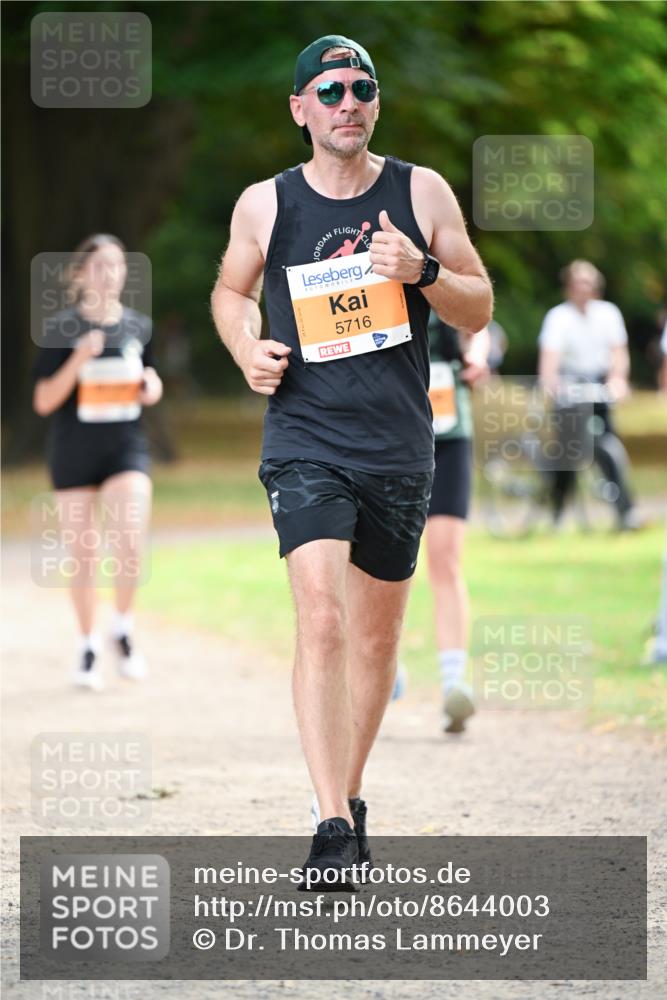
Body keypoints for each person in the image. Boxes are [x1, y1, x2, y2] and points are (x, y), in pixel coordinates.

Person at [211, 34, 492, 888]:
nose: (347, 102)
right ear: (299, 108)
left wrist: (426, 267)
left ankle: (349, 796)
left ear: (375, 103)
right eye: (329, 89)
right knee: (322, 620)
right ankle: (330, 822)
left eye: (361, 88)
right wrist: (243, 346)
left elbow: (477, 308)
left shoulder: (421, 192)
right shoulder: (266, 204)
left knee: (375, 641)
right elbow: (230, 289)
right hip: (304, 437)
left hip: (400, 446)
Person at [32, 234, 162, 691]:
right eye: (100, 265)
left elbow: (150, 376)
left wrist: (152, 385)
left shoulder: (137, 326)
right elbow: (44, 401)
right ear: (80, 274)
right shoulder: (61, 329)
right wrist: (78, 358)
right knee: (84, 554)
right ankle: (87, 645)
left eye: (116, 265)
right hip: (73, 454)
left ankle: (121, 629)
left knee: (128, 541)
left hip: (125, 448)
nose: (109, 273)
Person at [538, 259, 638, 530]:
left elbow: (619, 353)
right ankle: (557, 512)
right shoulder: (559, 317)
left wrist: (618, 380)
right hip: (569, 387)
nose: (583, 288)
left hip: (597, 387)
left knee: (608, 446)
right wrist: (553, 385)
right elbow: (550, 362)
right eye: (578, 283)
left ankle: (625, 512)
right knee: (567, 456)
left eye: (588, 283)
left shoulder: (608, 314)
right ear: (569, 287)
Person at [426, 313, 490, 733]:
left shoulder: (445, 255)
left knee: (445, 560)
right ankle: (378, 668)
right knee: (373, 563)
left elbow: (479, 318)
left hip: (448, 431)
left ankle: (455, 685)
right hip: (379, 433)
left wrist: (478, 354)